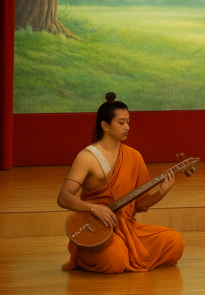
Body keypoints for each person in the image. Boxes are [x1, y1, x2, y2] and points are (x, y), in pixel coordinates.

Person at [57, 93, 185, 274]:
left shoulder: (134, 156)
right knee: (113, 260)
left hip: (127, 229)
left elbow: (139, 204)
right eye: (121, 122)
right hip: (96, 229)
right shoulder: (87, 157)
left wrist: (161, 193)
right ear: (105, 125)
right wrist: (94, 208)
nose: (127, 127)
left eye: (128, 122)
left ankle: (124, 252)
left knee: (175, 241)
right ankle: (85, 256)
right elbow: (63, 197)